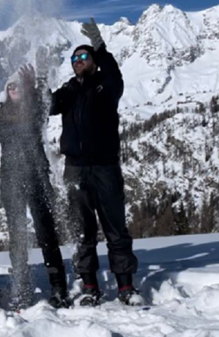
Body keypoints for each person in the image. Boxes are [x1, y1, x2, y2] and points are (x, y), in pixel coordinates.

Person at [50, 18, 142, 306]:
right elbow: (48, 106)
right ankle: (89, 284)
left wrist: (100, 46)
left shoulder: (107, 84)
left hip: (105, 165)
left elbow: (115, 73)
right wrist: (38, 80)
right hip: (75, 167)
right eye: (74, 58)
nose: (78, 61)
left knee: (115, 226)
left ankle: (126, 287)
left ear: (92, 61)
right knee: (82, 228)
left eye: (83, 56)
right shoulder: (68, 90)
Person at [0, 64, 69, 309]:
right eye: (10, 87)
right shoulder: (2, 112)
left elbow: (45, 107)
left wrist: (35, 84)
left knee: (45, 231)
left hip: (36, 175)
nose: (13, 89)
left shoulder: (33, 106)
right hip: (10, 179)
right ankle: (22, 287)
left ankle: (59, 286)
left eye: (17, 85)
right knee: (17, 233)